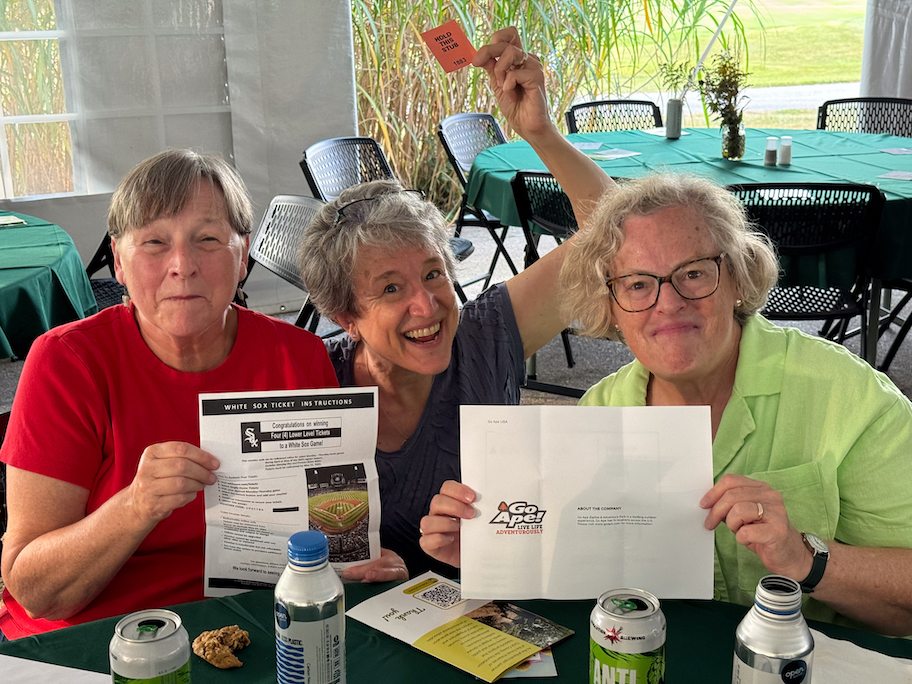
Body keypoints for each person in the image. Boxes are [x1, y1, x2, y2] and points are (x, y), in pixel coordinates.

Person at [421, 171, 912, 635]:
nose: (668, 302)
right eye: (637, 284)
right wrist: (495, 554)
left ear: (738, 277)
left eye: (693, 273)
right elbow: (580, 589)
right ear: (610, 307)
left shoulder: (847, 397)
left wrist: (805, 557)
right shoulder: (599, 416)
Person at [0, 149, 405, 640]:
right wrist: (136, 505)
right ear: (119, 262)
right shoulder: (66, 361)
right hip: (102, 636)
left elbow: (325, 529)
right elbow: (36, 591)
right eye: (153, 242)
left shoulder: (296, 355)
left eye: (208, 239)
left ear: (243, 256)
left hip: (258, 621)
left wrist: (351, 560)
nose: (182, 265)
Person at [297, 28, 614, 579]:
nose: (427, 305)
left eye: (433, 274)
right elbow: (261, 532)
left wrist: (541, 133)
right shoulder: (312, 385)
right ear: (346, 316)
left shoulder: (487, 333)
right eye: (391, 288)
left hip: (493, 604)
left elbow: (610, 236)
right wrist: (326, 564)